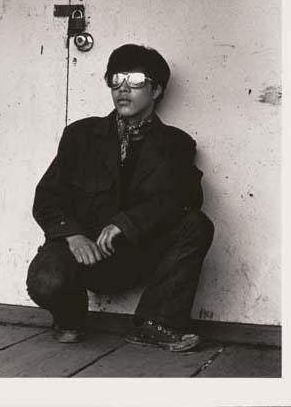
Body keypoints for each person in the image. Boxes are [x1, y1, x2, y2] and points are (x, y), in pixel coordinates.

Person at [26, 44, 214, 351]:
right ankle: (69, 317)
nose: (123, 89)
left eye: (136, 80)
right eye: (116, 80)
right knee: (46, 280)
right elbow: (47, 197)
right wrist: (73, 236)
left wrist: (128, 224)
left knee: (196, 225)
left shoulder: (176, 144)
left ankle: (155, 323)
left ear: (156, 91)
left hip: (137, 255)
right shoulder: (80, 135)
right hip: (81, 253)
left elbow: (186, 199)